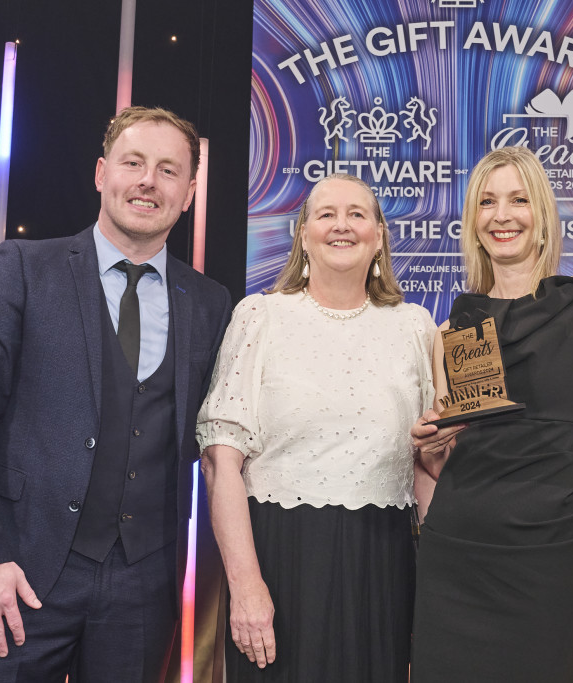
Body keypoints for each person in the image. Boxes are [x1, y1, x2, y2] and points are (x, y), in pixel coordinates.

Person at [0, 106, 233, 681]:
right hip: (17, 573)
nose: (149, 181)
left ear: (191, 192)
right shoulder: (23, 268)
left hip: (145, 587)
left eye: (168, 170)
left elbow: (226, 431)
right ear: (103, 173)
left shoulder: (210, 303)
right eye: (134, 163)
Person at [196, 173, 436, 681]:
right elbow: (221, 463)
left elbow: (429, 464)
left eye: (356, 214)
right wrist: (245, 586)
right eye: (326, 214)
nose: (341, 226)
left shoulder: (415, 327)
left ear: (379, 236)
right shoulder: (259, 316)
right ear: (303, 234)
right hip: (277, 562)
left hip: (383, 564)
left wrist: (443, 581)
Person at [408, 146, 573, 682]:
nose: (502, 215)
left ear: (543, 215)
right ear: (473, 221)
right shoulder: (453, 329)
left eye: (518, 200)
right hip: (456, 555)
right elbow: (452, 456)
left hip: (546, 556)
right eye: (487, 202)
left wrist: (557, 476)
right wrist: (429, 448)